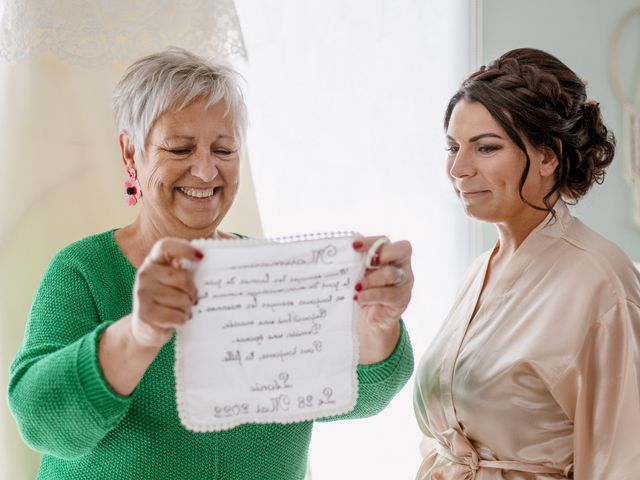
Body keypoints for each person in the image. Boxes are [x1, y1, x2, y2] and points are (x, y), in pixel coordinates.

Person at [8, 47, 414, 480]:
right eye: (180, 149)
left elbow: (356, 395)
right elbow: (40, 422)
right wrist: (139, 334)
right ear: (131, 154)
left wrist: (377, 322)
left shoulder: (270, 274)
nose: (204, 172)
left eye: (223, 149)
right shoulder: (83, 270)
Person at [414, 48, 640, 479]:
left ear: (548, 155)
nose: (459, 169)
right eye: (453, 147)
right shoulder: (481, 270)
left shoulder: (601, 283)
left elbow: (624, 462)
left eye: (485, 148)